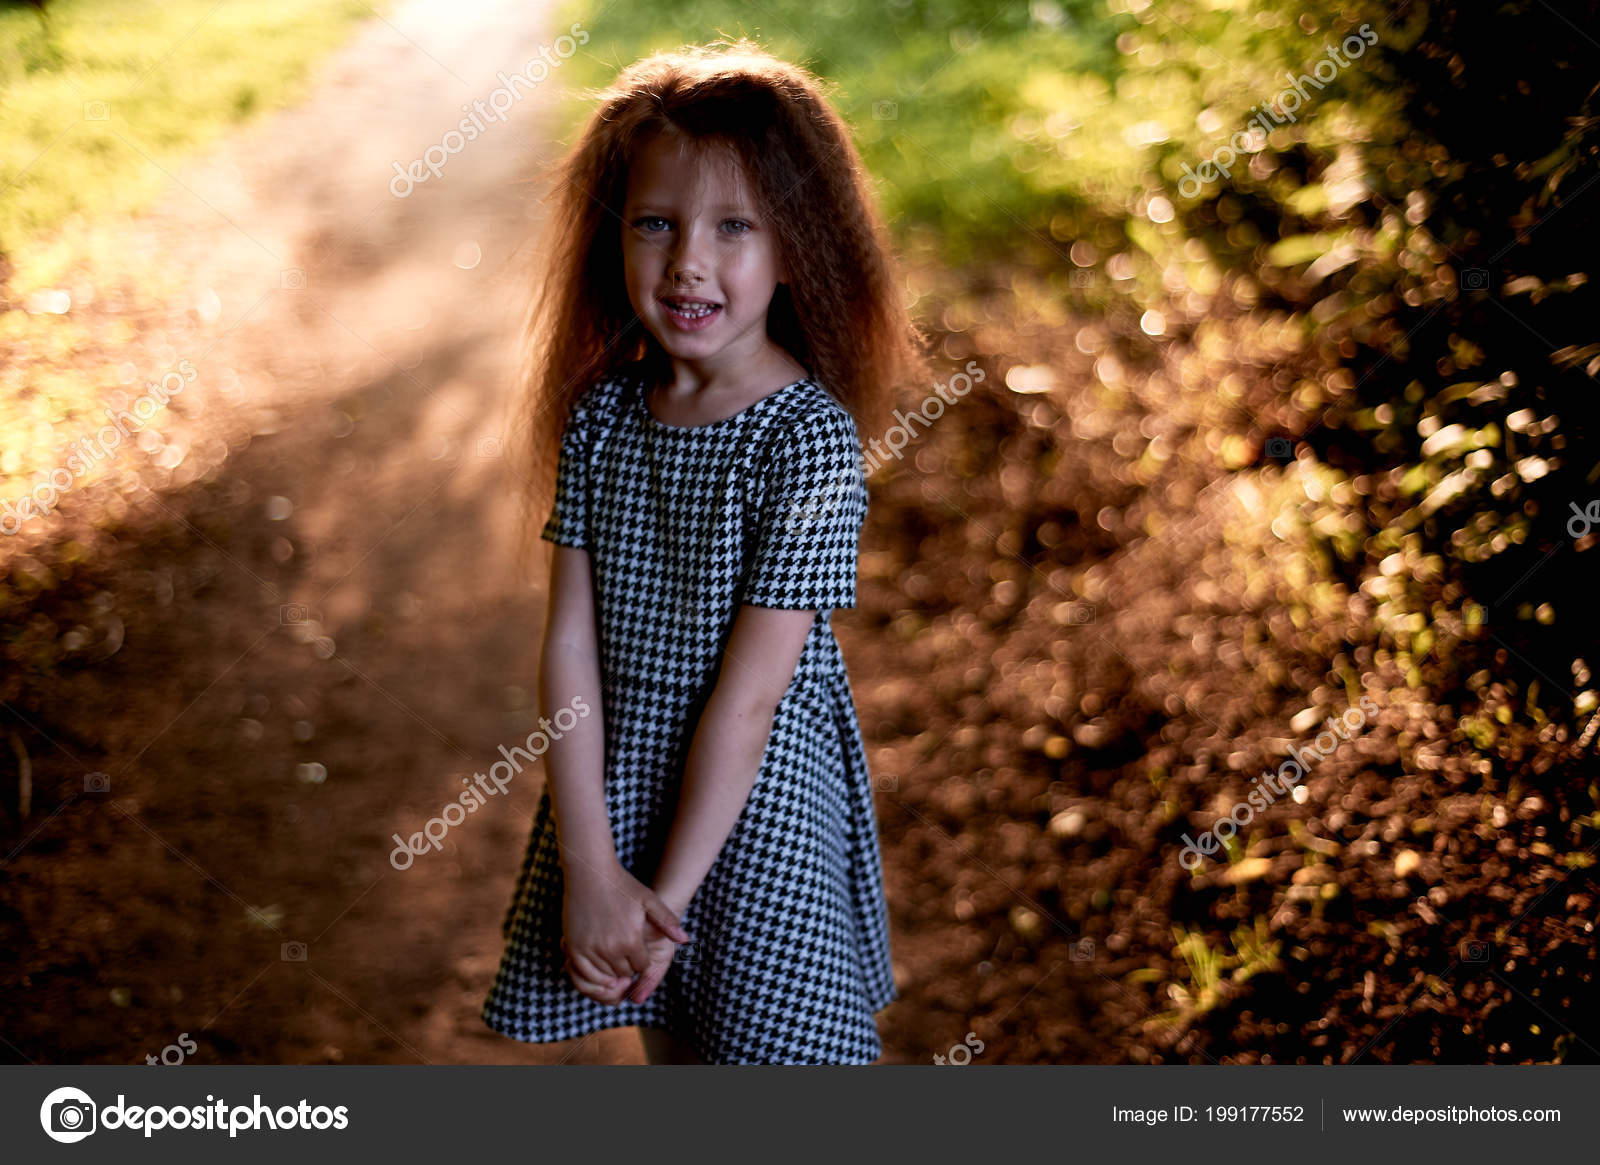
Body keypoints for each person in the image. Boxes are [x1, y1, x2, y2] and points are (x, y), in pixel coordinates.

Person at [480, 38, 926, 1066]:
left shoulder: (803, 438)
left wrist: (662, 902)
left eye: (735, 227)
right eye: (654, 224)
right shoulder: (602, 417)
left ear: (797, 246)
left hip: (757, 810)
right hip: (626, 794)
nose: (688, 261)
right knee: (679, 1057)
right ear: (614, 237)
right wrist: (593, 869)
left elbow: (752, 699)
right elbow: (569, 651)